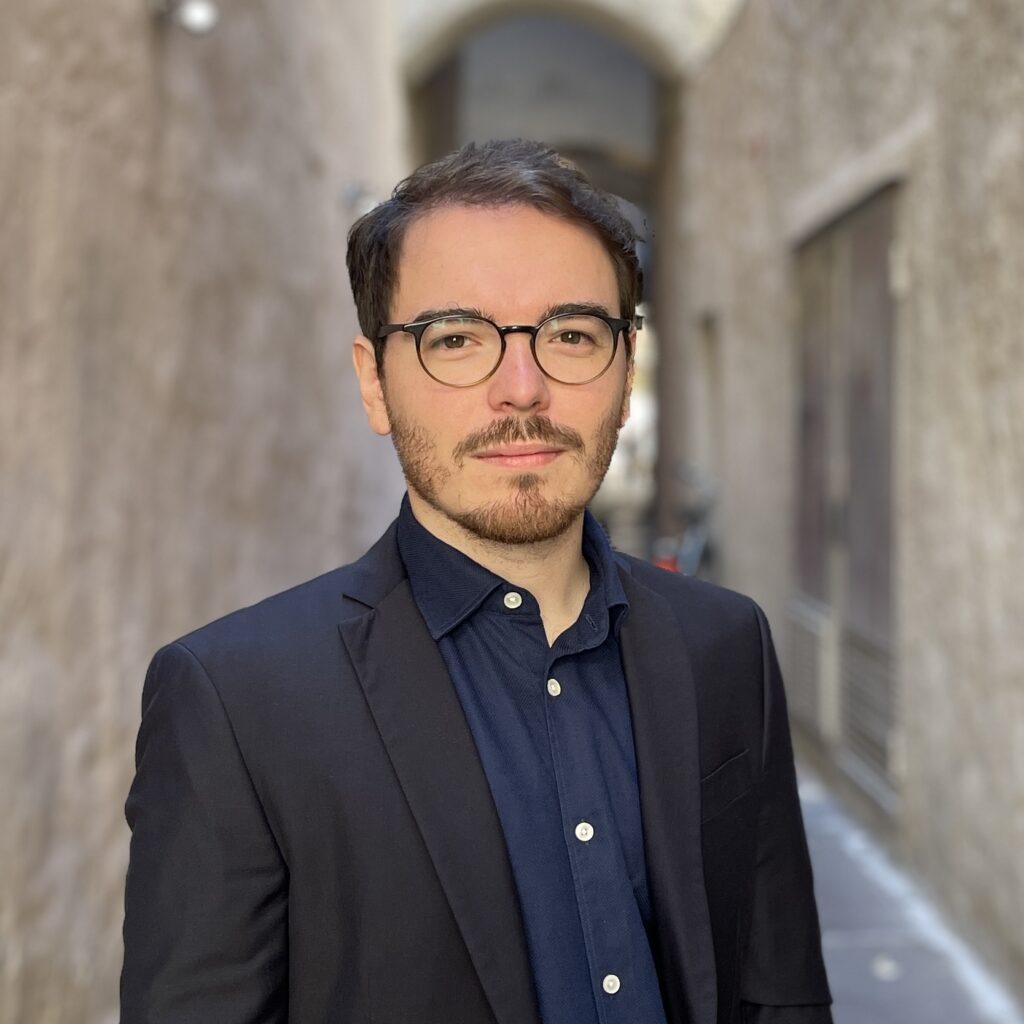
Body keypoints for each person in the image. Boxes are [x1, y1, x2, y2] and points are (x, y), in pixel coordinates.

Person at [121, 139, 832, 1024]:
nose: (522, 389)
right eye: (455, 339)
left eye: (572, 335)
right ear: (374, 383)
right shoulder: (235, 704)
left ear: (625, 370)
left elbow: (780, 993)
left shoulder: (725, 645)